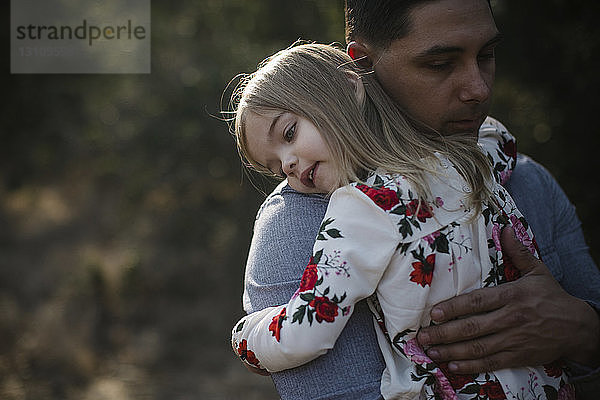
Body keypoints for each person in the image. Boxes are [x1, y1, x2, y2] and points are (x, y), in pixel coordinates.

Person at [239, 1, 600, 399]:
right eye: (440, 63)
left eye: (487, 56)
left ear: (346, 85)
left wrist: (584, 328)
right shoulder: (297, 221)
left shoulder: (520, 178)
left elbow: (302, 332)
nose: (478, 89)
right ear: (361, 69)